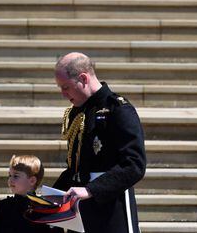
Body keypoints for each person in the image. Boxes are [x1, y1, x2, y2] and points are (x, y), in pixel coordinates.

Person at [52, 52, 146, 233]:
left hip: (111, 210)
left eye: (66, 87)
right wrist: (51, 196)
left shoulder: (118, 110)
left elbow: (134, 165)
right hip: (80, 211)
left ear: (83, 78)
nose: (63, 94)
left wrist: (91, 190)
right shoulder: (77, 112)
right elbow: (76, 167)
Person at [0, 155, 57, 233]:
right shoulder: (2, 206)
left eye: (16, 176)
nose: (10, 180)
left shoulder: (45, 209)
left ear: (32, 181)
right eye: (10, 175)